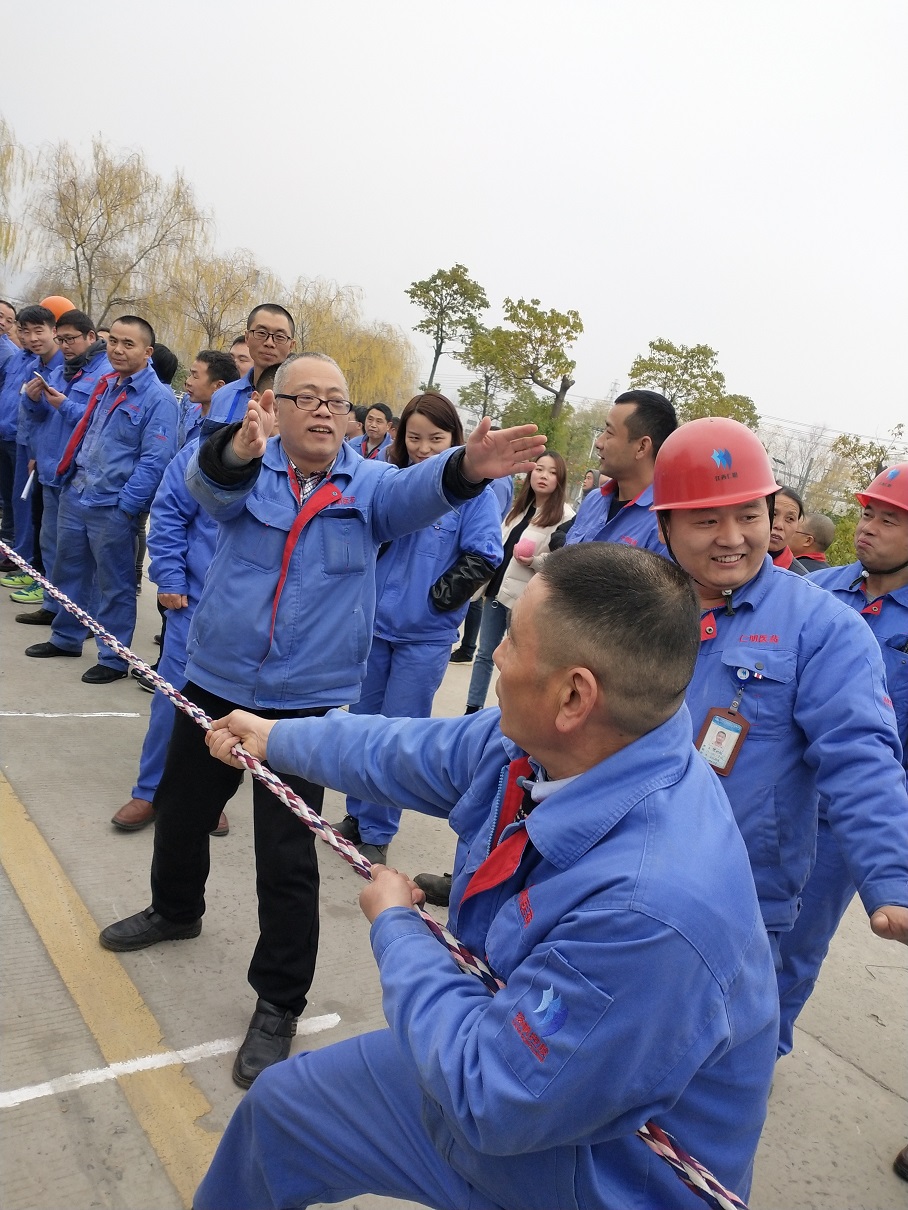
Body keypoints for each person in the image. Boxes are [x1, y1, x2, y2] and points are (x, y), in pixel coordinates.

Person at [194, 543, 779, 1210]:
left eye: (515, 641)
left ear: (573, 695)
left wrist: (399, 929)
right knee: (281, 1113)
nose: (494, 652)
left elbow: (492, 1098)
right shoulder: (555, 745)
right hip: (499, 1050)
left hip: (602, 1172)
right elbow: (408, 751)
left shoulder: (650, 913)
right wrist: (276, 738)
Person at [98, 351, 546, 1090]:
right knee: (180, 811)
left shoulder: (370, 486)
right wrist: (236, 449)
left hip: (303, 702)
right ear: (275, 407)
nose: (322, 411)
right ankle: (175, 910)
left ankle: (279, 1001)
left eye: (334, 400)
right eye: (305, 397)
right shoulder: (246, 465)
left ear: (349, 415)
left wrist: (468, 467)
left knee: (286, 858)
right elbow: (206, 491)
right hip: (216, 678)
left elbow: (419, 492)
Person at [652, 417, 908, 972]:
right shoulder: (630, 605)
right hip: (620, 867)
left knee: (749, 1012)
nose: (732, 537)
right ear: (665, 524)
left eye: (749, 515)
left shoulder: (821, 625)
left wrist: (893, 876)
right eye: (707, 519)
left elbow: (859, 752)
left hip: (741, 893)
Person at [335, 392, 503, 863]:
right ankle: (355, 813)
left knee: (399, 736)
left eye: (436, 439)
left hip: (424, 637)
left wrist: (437, 601)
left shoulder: (475, 494)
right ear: (400, 437)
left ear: (455, 439)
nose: (424, 448)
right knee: (361, 723)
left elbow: (484, 555)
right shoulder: (388, 481)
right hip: (373, 627)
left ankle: (378, 829)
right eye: (414, 438)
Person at [776, 462, 908, 1057]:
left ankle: (757, 1056)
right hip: (772, 798)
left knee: (795, 946)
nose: (869, 528)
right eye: (869, 514)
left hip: (841, 823)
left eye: (890, 520)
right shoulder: (813, 592)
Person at [111, 352, 241, 835]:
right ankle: (149, 791)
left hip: (248, 618)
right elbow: (167, 517)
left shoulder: (289, 471)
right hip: (193, 605)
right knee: (172, 701)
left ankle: (208, 798)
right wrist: (169, 578)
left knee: (227, 716)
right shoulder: (197, 456)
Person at [23, 316, 179, 683]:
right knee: (67, 571)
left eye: (128, 344)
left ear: (147, 352)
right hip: (77, 493)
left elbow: (154, 460)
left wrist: (127, 507)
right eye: (114, 342)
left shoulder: (159, 400)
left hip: (113, 506)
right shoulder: (107, 383)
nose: (118, 350)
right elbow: (87, 429)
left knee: (115, 585)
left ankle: (113, 658)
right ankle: (66, 637)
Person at [15, 309, 111, 625]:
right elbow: (40, 417)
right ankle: (53, 605)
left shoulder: (106, 374)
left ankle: (82, 617)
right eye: (61, 339)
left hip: (78, 476)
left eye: (71, 339)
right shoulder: (60, 371)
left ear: (91, 337)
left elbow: (99, 423)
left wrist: (64, 405)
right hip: (51, 470)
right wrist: (32, 400)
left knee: (79, 556)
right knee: (52, 544)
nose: (65, 346)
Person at [465, 452, 573, 713]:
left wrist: (534, 561)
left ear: (560, 480)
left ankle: (509, 712)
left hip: (526, 600)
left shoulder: (565, 516)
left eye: (552, 472)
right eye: (539, 469)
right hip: (497, 591)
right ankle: (472, 708)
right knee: (485, 654)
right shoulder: (519, 508)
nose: (543, 476)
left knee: (517, 662)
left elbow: (563, 560)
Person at [556, 389, 677, 552]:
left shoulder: (665, 525)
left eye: (609, 433)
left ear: (642, 447)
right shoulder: (593, 501)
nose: (598, 443)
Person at [0, 305, 63, 590]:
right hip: (20, 440)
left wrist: (38, 452)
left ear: (53, 331)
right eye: (25, 331)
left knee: (39, 513)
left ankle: (35, 568)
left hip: (40, 450)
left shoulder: (61, 367)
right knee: (19, 503)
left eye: (39, 331)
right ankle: (23, 558)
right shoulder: (29, 363)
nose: (32, 338)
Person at [205, 304, 296, 430]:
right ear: (247, 338)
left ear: (291, 345)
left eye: (280, 337)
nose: (269, 343)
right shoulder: (222, 396)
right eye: (261, 333)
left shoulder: (302, 402)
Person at [767, 485, 807, 575]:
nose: (779, 525)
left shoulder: (799, 579)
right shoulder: (735, 559)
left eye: (790, 519)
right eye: (773, 514)